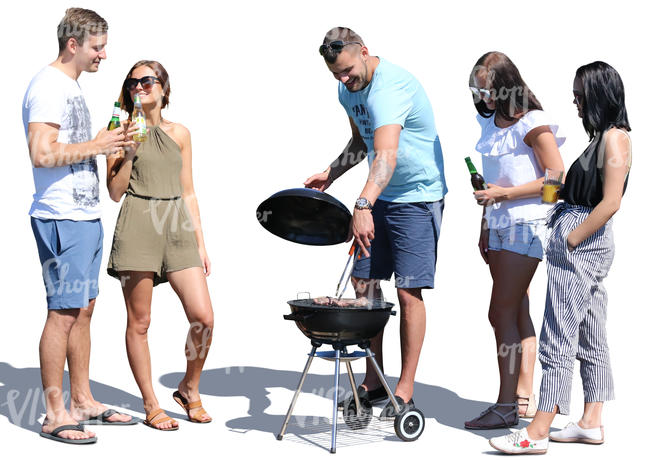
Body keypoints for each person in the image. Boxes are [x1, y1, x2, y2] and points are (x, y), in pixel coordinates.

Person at [489, 61, 632, 454]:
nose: (575, 101)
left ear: (599, 94)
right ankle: (590, 421)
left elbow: (612, 201)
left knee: (557, 334)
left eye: (580, 95)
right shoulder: (602, 137)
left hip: (582, 244)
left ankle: (536, 431)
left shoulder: (615, 139)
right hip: (583, 240)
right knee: (589, 331)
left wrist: (571, 239)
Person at [304, 27, 447, 418]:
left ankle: (404, 388)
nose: (343, 79)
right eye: (336, 74)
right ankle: (373, 379)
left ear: (365, 51)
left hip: (416, 196)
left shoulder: (390, 88)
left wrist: (363, 202)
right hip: (378, 194)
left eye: (348, 70)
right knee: (364, 284)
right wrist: (332, 173)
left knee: (408, 291)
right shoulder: (346, 88)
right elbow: (361, 142)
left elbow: (386, 156)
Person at [23, 8, 137, 444]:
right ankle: (54, 414)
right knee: (63, 313)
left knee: (83, 310)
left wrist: (112, 145)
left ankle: (84, 401)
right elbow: (41, 153)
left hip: (84, 216)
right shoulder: (48, 86)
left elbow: (67, 148)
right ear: (74, 44)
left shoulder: (68, 86)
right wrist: (98, 144)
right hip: (61, 217)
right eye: (97, 47)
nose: (104, 55)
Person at [106, 60, 214, 431]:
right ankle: (151, 404)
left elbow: (188, 191)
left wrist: (200, 242)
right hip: (137, 221)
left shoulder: (180, 133)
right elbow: (114, 192)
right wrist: (130, 148)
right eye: (133, 81)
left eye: (147, 80)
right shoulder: (116, 129)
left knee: (203, 318)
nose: (139, 86)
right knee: (140, 321)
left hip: (177, 224)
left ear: (163, 89)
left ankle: (189, 387)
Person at [464, 52, 565, 429]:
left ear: (507, 84)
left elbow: (557, 179)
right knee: (517, 312)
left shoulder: (534, 122)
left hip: (526, 225)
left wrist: (505, 197)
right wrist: (486, 224)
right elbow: (491, 185)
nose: (483, 96)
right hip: (500, 226)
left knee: (500, 313)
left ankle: (505, 405)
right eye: (477, 90)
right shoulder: (491, 122)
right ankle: (521, 397)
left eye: (488, 89)